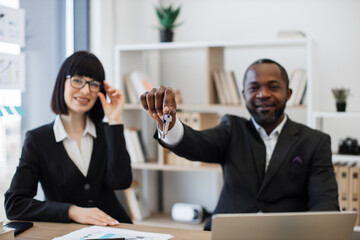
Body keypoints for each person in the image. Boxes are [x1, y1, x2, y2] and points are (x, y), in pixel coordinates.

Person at [140, 58, 339, 230]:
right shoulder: (231, 129)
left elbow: (325, 204)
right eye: (254, 88)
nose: (263, 94)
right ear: (244, 95)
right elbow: (198, 144)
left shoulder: (315, 141)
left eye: (273, 87)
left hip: (286, 234)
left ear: (288, 94)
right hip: (228, 234)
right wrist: (171, 123)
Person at [5, 51, 133, 226]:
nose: (86, 90)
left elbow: (121, 181)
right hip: (66, 233)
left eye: (93, 84)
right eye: (78, 80)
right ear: (61, 83)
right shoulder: (38, 139)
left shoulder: (107, 131)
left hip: (117, 228)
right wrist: (71, 211)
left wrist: (115, 120)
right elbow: (14, 204)